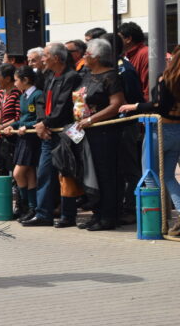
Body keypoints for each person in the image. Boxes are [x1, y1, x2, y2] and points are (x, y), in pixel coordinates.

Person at [21, 43, 82, 228]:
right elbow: (41, 101)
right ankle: (43, 214)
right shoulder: (48, 76)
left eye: (46, 55)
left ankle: (68, 215)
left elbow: (64, 106)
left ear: (56, 58)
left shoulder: (72, 77)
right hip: (47, 133)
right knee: (44, 172)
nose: (43, 59)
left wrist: (45, 123)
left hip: (65, 133)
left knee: (66, 174)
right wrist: (41, 122)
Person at [121, 46, 180, 236]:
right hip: (178, 131)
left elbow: (160, 106)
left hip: (159, 130)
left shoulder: (166, 79)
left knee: (148, 175)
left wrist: (135, 106)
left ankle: (151, 221)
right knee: (168, 177)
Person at [76, 38, 125, 231]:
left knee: (106, 174)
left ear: (96, 57)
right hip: (86, 132)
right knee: (91, 173)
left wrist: (91, 119)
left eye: (87, 54)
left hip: (104, 132)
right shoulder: (87, 74)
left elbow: (117, 104)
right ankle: (96, 213)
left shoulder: (111, 76)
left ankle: (108, 216)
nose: (84, 57)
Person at [0, 66, 44, 222]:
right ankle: (30, 207)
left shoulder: (37, 95)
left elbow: (39, 118)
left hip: (32, 139)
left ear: (26, 80)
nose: (15, 83)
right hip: (22, 139)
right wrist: (13, 126)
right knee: (28, 174)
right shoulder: (23, 96)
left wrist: (27, 127)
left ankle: (28, 206)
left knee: (18, 173)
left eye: (17, 80)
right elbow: (22, 118)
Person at [118, 21, 149, 100]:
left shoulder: (145, 53)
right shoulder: (126, 55)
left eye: (119, 38)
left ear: (128, 39)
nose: (116, 41)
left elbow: (148, 87)